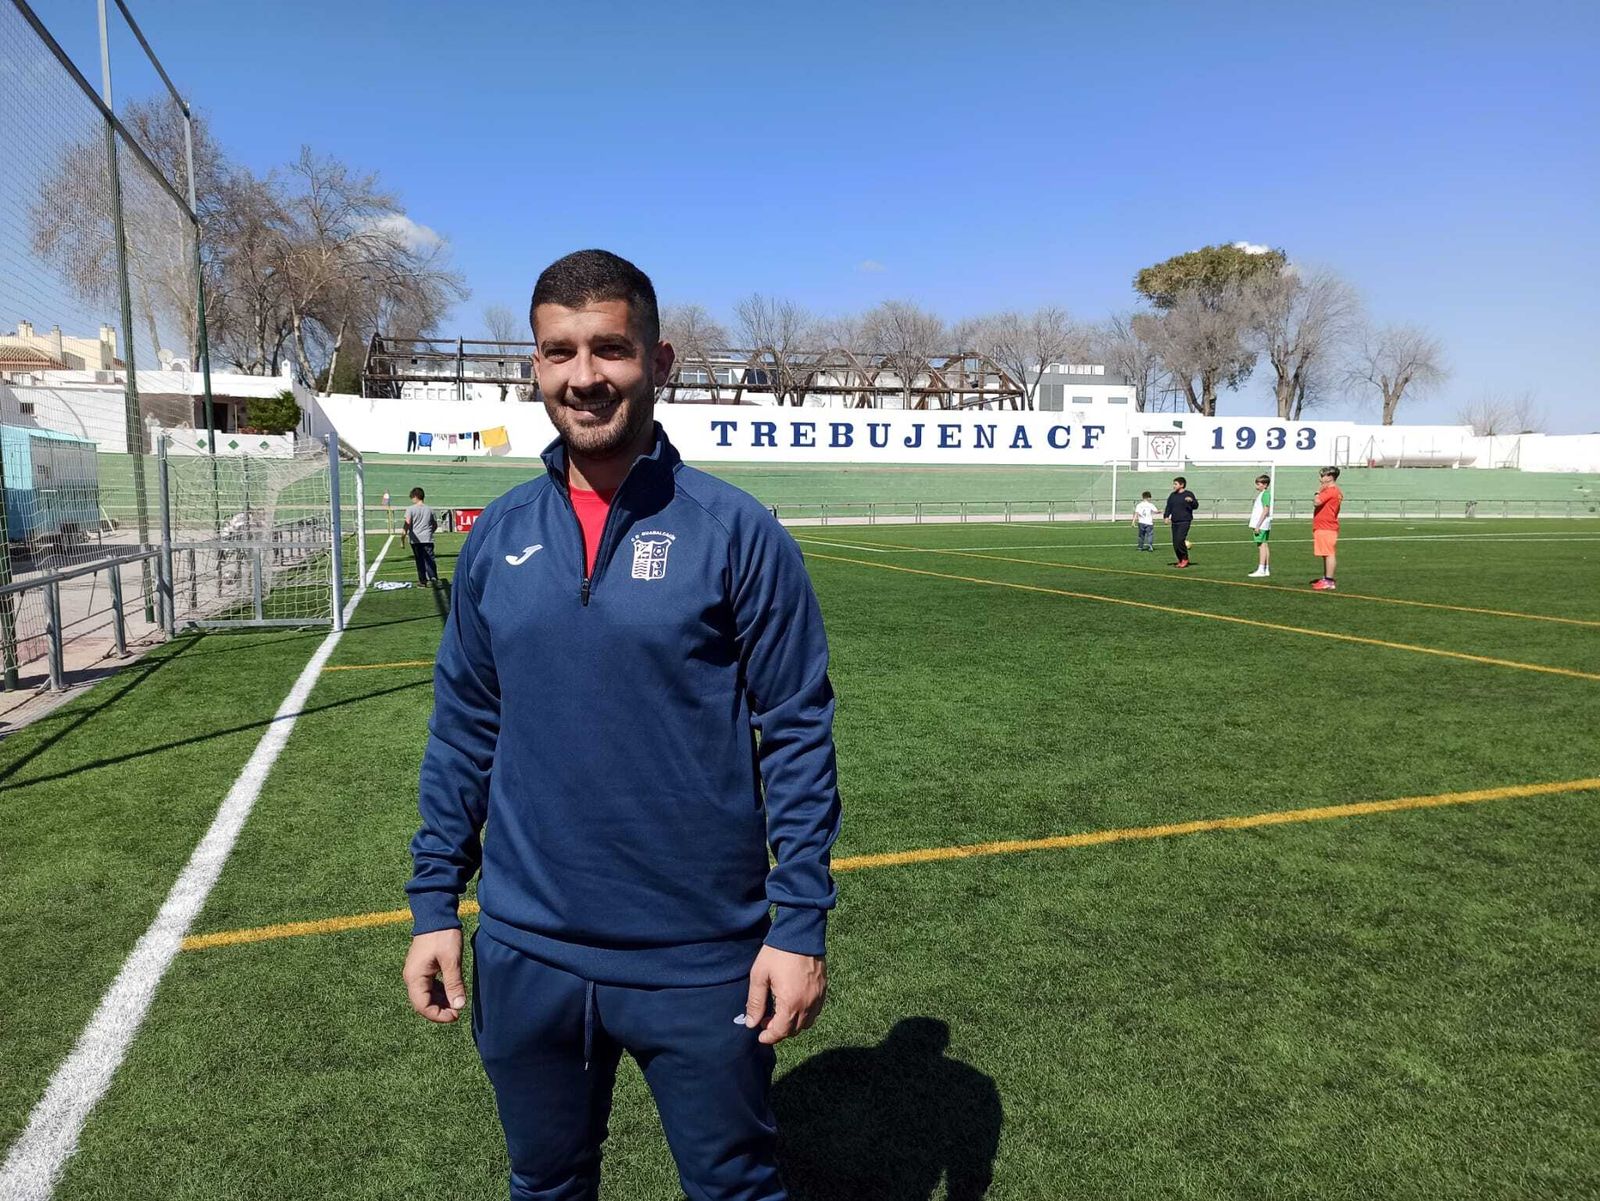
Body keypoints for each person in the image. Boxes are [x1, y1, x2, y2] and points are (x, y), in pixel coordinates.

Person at [403, 249, 841, 1201]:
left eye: (610, 348)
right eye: (559, 351)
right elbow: (465, 725)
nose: (584, 375)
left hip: (703, 955)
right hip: (526, 949)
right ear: (535, 366)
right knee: (546, 1183)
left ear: (660, 360)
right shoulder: (499, 536)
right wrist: (436, 900)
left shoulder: (736, 532)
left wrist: (800, 922)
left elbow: (798, 729)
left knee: (734, 1188)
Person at [1311, 466, 1343, 590]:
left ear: (1330, 477)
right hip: (1325, 525)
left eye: (1322, 475)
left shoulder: (1331, 491)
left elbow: (1317, 502)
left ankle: (1329, 580)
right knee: (1325, 553)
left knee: (1329, 553)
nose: (1320, 478)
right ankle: (1326, 578)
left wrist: (1317, 492)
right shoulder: (1334, 491)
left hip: (1326, 526)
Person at [403, 487, 440, 586]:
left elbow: (407, 523)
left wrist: (403, 535)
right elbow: (435, 525)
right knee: (430, 559)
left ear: (415, 497)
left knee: (419, 560)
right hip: (428, 538)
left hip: (415, 539)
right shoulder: (430, 509)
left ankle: (423, 581)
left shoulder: (410, 509)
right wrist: (430, 532)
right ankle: (433, 577)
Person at [1162, 476, 1199, 567]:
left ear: (1182, 485)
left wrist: (1191, 501)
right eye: (1173, 484)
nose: (1173, 486)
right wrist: (1166, 516)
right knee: (1175, 543)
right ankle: (1180, 559)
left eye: (1175, 484)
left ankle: (1185, 559)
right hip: (1175, 521)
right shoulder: (1172, 496)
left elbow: (1195, 506)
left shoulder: (1189, 494)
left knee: (1180, 540)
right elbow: (1168, 507)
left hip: (1185, 521)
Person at [1247, 473, 1273, 578]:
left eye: (1259, 484)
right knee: (1264, 545)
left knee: (1261, 546)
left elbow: (1266, 509)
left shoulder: (1265, 494)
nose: (1257, 486)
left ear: (1265, 485)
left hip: (1261, 524)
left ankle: (1261, 569)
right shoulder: (1263, 494)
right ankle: (1266, 569)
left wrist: (1258, 525)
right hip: (1263, 524)